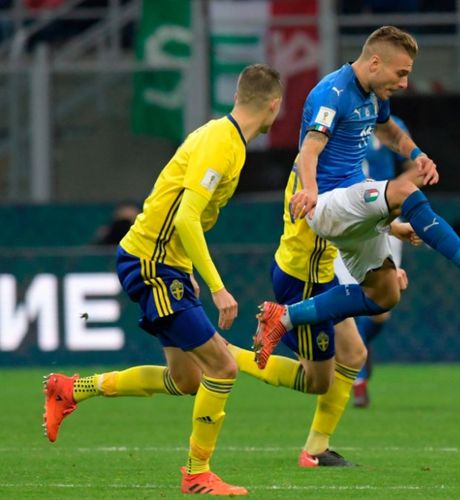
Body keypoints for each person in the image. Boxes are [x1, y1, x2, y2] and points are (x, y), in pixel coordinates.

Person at [42, 64, 284, 496]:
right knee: (223, 367)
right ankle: (196, 473)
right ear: (274, 104)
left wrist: (186, 270)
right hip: (152, 261)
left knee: (187, 380)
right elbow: (188, 215)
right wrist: (216, 285)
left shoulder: (228, 141)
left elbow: (180, 212)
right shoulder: (221, 143)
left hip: (162, 262)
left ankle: (71, 389)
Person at [252, 25, 460, 370]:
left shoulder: (374, 95)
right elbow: (309, 150)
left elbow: (389, 131)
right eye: (401, 73)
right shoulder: (333, 92)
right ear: (373, 63)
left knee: (385, 295)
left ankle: (285, 318)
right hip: (326, 203)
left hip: (352, 207)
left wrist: (416, 154)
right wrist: (309, 189)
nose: (404, 83)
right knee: (403, 188)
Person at [228, 160, 419, 467]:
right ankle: (224, 354)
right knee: (318, 381)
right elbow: (345, 218)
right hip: (303, 281)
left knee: (355, 353)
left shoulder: (319, 159)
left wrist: (393, 232)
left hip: (319, 274)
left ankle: (316, 448)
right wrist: (384, 267)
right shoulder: (324, 166)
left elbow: (353, 215)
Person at [333, 114, 413, 408]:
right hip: (350, 220)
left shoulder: (393, 126)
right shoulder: (338, 123)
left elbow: (412, 167)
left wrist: (393, 190)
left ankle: (361, 347)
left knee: (382, 308)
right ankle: (358, 374)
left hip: (386, 218)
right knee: (350, 297)